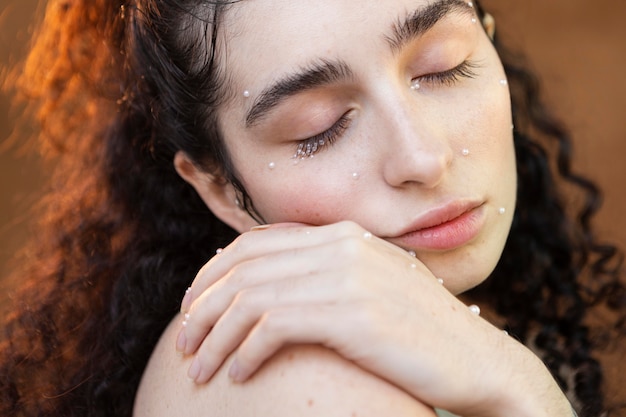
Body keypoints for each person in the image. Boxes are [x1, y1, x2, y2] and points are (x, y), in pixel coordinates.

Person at [0, 0, 624, 416]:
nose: (422, 156)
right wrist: (522, 395)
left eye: (442, 68)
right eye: (318, 128)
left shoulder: (467, 315)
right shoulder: (297, 380)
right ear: (219, 187)